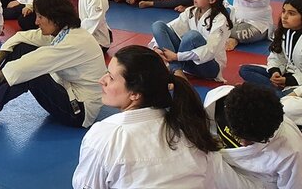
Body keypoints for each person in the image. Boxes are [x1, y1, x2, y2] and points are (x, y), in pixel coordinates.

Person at [73, 45, 261, 189]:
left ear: (135, 93)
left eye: (111, 77)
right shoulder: (192, 130)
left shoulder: (106, 135)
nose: (102, 80)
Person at [0, 0, 105, 127]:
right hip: (68, 92)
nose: (36, 22)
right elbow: (22, 37)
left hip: (79, 111)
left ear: (55, 19)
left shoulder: (74, 41)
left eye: (40, 17)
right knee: (22, 48)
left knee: (30, 73)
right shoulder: (65, 31)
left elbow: (30, 65)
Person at [204, 83, 302, 189]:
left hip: (256, 180)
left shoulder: (292, 151)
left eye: (254, 141)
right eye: (242, 137)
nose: (244, 144)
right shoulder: (217, 101)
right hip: (224, 158)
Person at [149, 0, 232, 82]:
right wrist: (157, 47)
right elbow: (170, 27)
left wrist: (177, 56)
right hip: (186, 62)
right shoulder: (191, 11)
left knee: (192, 36)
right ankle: (177, 70)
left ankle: (175, 68)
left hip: (209, 67)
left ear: (212, 0)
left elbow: (210, 51)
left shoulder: (220, 20)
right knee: (158, 26)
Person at [239, 0, 302, 94]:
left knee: (284, 98)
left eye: (291, 13)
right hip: (285, 74)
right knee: (245, 70)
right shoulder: (284, 32)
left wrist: (288, 81)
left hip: (298, 83)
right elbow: (276, 56)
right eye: (283, 11)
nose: (284, 16)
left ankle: (276, 93)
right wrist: (275, 72)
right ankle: (275, 92)